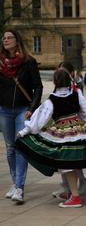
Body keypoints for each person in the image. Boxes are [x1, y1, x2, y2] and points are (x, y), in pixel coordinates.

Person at [16, 69, 86, 208]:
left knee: (65, 163)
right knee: (70, 162)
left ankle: (75, 197)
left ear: (55, 81)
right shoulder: (77, 94)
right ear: (69, 80)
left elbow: (39, 119)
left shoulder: (52, 100)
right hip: (78, 129)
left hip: (62, 132)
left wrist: (24, 131)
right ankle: (72, 193)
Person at [0, 29, 43, 204]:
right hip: (4, 111)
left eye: (9, 37)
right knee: (10, 148)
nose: (5, 40)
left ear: (17, 41)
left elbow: (38, 87)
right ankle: (14, 182)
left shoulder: (28, 62)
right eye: (3, 38)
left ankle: (19, 187)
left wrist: (32, 108)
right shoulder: (0, 63)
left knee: (20, 147)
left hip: (22, 110)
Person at [52, 62, 86, 199]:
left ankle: (75, 187)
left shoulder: (75, 91)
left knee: (70, 157)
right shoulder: (59, 92)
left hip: (74, 128)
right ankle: (67, 187)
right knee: (66, 156)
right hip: (62, 127)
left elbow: (84, 109)